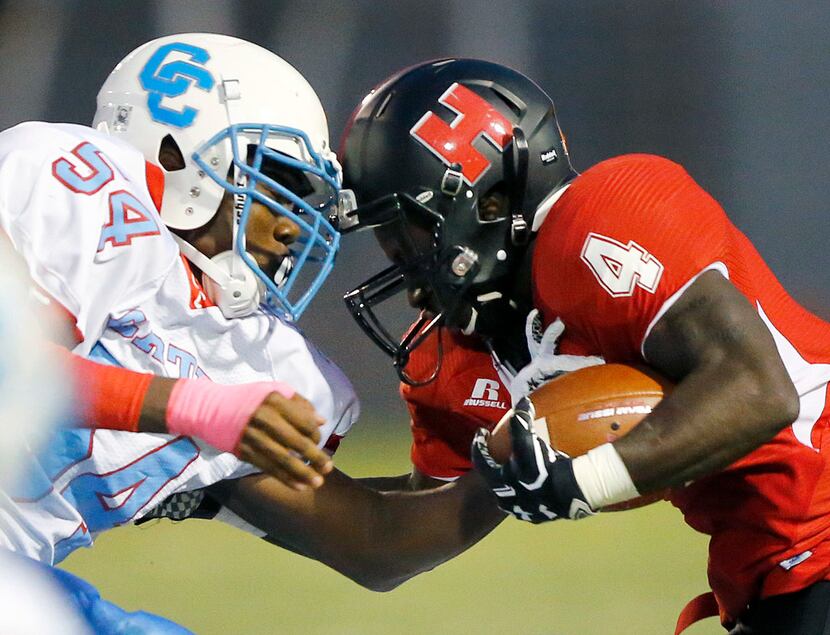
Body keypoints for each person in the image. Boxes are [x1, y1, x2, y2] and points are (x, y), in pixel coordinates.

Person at [0, 34, 506, 631]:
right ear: (173, 152)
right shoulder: (76, 181)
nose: (293, 224)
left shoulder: (237, 347)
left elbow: (376, 541)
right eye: (277, 181)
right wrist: (190, 406)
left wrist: (528, 453)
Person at [335, 58, 830, 634]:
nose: (411, 277)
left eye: (412, 237)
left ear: (489, 201)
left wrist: (583, 482)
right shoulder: (463, 353)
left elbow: (758, 391)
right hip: (778, 573)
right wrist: (234, 489)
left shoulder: (602, 220)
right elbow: (397, 536)